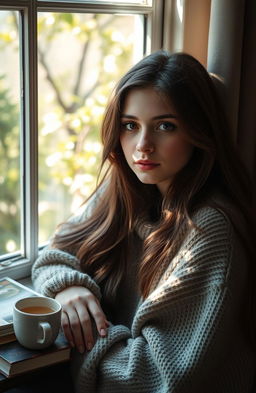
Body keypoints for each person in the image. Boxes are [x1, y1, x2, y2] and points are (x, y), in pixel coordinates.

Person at [31, 50, 256, 393]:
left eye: (166, 126)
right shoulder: (125, 188)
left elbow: (154, 378)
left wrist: (81, 338)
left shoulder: (210, 229)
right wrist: (68, 287)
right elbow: (54, 254)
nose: (143, 146)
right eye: (130, 126)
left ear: (200, 133)